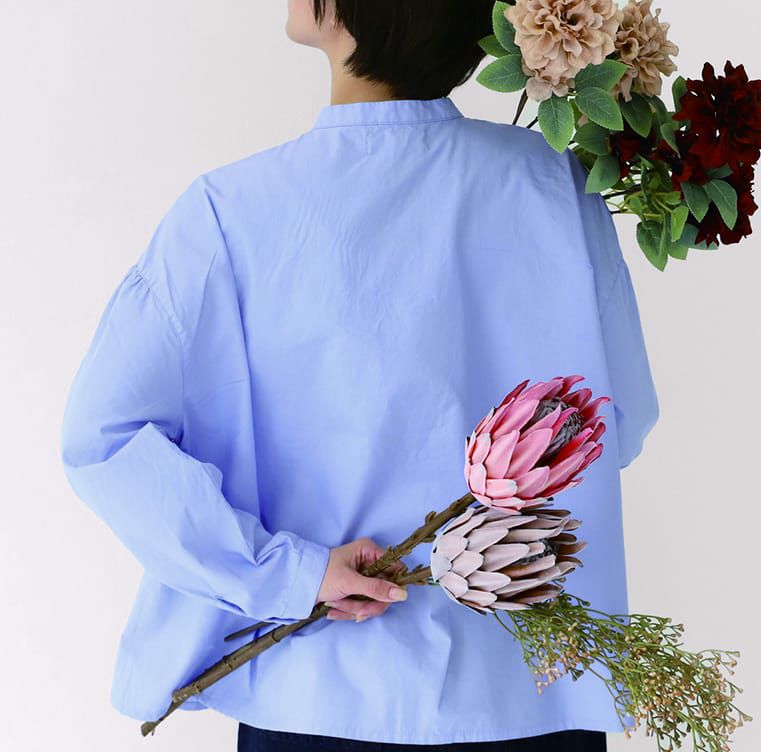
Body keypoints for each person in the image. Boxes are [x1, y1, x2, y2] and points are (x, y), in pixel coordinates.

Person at [59, 1, 660, 750]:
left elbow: (104, 438)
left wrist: (288, 575)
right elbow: (619, 421)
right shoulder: (558, 185)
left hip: (317, 689)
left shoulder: (231, 210)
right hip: (527, 686)